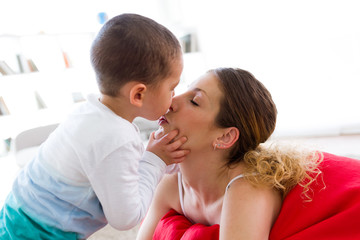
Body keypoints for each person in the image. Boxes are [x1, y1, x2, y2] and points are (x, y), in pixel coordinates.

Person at [0, 13, 189, 239]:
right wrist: (155, 161)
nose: (175, 96)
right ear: (138, 94)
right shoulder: (117, 138)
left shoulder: (90, 113)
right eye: (172, 87)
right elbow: (126, 218)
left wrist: (156, 160)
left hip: (15, 213)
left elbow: (116, 169)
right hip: (36, 233)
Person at [136, 68, 360, 240]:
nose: (171, 101)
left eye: (194, 101)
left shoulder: (246, 187)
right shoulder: (171, 183)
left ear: (225, 137)